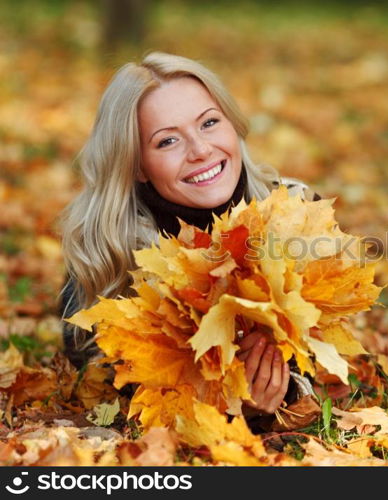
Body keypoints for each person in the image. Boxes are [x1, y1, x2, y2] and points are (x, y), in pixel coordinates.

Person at [58, 52, 320, 417]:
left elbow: (335, 356)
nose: (200, 150)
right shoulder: (109, 251)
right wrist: (218, 399)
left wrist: (287, 389)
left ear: (232, 124)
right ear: (136, 166)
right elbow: (99, 382)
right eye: (167, 141)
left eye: (209, 123)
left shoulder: (297, 210)